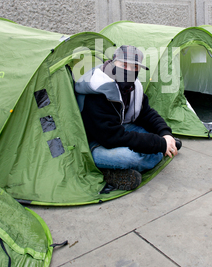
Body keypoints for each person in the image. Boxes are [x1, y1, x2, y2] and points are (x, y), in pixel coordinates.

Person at [75, 45, 182, 191]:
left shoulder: (132, 86)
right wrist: (159, 144)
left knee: (157, 139)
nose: (129, 71)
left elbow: (146, 113)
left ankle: (165, 146)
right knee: (130, 158)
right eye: (124, 65)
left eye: (135, 67)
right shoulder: (97, 91)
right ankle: (105, 172)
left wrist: (165, 134)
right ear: (113, 63)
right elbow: (111, 137)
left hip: (119, 128)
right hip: (94, 143)